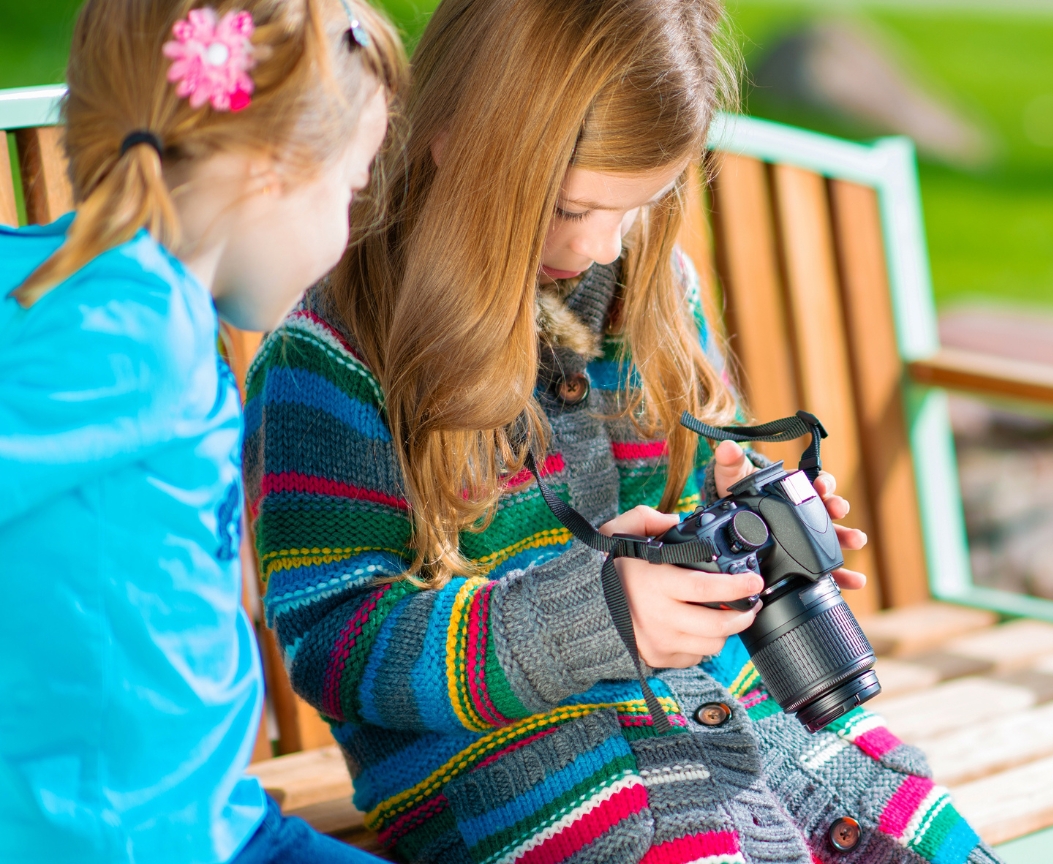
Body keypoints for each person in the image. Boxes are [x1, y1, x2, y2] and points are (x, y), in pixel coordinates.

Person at [242, 0, 1001, 862]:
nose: (604, 245)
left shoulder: (647, 292)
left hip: (744, 716)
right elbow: (337, 642)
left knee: (926, 840)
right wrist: (589, 616)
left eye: (638, 206)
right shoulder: (339, 354)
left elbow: (681, 487)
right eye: (572, 209)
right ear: (458, 141)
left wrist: (743, 512)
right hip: (525, 777)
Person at [0, 1, 405, 861]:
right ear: (270, 169)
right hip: (139, 841)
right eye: (352, 187)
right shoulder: (132, 324)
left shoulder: (97, 296)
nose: (345, 233)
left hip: (210, 817)